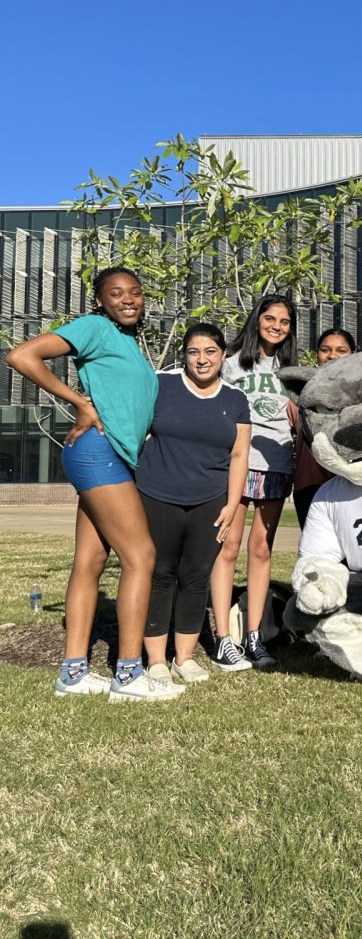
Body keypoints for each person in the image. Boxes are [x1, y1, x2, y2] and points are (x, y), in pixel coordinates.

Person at [5, 266, 181, 700]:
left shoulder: (128, 342)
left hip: (111, 454)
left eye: (135, 293)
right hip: (98, 452)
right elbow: (22, 355)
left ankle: (73, 673)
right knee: (141, 556)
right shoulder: (94, 327)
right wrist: (79, 403)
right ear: (99, 301)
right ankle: (128, 674)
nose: (128, 299)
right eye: (116, 293)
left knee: (90, 561)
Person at [136, 324, 251, 683]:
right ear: (184, 355)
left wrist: (233, 505)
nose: (202, 360)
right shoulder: (161, 384)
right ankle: (156, 659)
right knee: (160, 574)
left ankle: (184, 658)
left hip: (211, 501)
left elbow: (240, 454)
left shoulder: (235, 399)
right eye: (194, 352)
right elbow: (132, 424)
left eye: (210, 352)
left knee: (197, 576)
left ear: (223, 355)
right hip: (157, 495)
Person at [210, 294, 298, 670]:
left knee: (261, 550)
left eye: (284, 321)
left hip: (278, 464)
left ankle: (255, 635)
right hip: (237, 465)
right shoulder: (230, 364)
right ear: (257, 319)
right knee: (227, 547)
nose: (277, 326)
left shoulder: (292, 369)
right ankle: (223, 639)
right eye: (271, 319)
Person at [291, 328, 355, 530]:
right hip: (309, 485)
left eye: (341, 350)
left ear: (352, 354)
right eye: (325, 349)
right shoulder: (300, 390)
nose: (332, 355)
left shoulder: (361, 392)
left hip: (349, 483)